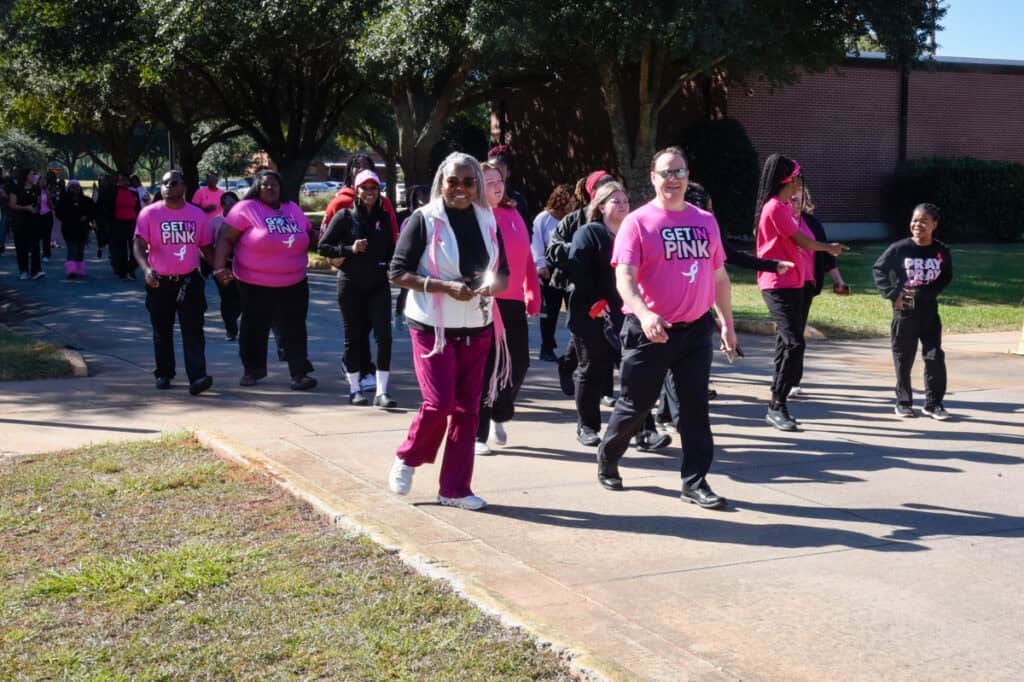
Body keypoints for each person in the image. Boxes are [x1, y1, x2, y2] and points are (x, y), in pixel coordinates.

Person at [596, 146, 737, 510]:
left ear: (688, 176)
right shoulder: (637, 223)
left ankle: (695, 482)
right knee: (636, 405)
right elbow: (624, 279)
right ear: (653, 178)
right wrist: (645, 315)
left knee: (695, 409)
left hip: (695, 331)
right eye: (665, 173)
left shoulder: (705, 221)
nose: (672, 179)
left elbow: (720, 278)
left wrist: (726, 324)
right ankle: (608, 455)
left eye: (679, 172)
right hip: (649, 330)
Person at [386, 152, 509, 511]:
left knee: (468, 410)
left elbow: (504, 274)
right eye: (453, 182)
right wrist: (443, 287)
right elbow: (396, 273)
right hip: (432, 326)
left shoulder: (487, 219)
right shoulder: (423, 219)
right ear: (441, 183)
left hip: (476, 325)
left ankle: (454, 489)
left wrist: (491, 286)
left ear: (477, 185)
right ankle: (408, 457)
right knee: (439, 404)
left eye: (469, 182)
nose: (461, 189)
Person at [754, 155, 847, 431]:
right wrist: (829, 248)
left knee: (788, 343)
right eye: (797, 177)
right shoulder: (774, 207)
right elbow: (802, 241)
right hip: (777, 283)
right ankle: (776, 405)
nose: (799, 182)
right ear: (790, 179)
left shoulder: (783, 207)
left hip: (793, 282)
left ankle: (777, 401)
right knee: (793, 342)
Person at [213, 169, 318, 391]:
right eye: (265, 185)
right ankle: (252, 370)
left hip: (295, 281)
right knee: (254, 327)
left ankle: (299, 373)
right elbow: (225, 237)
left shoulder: (292, 209)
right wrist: (219, 267)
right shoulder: (245, 208)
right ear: (256, 187)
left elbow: (310, 235)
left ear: (281, 188)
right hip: (255, 282)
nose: (270, 188)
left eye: (274, 185)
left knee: (295, 328)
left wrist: (334, 247)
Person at [474, 161, 541, 454]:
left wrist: (532, 290)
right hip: (484, 301)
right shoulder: (473, 215)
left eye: (498, 180)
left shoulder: (513, 213)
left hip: (512, 301)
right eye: (488, 182)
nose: (496, 186)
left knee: (519, 363)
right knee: (487, 367)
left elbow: (526, 257)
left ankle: (500, 412)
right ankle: (478, 434)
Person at [318, 169, 398, 407]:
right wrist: (349, 249)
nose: (370, 192)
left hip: (378, 283)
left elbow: (391, 249)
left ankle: (382, 391)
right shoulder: (345, 216)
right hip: (351, 283)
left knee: (384, 337)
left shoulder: (384, 218)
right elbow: (323, 246)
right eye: (365, 188)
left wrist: (393, 265)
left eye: (374, 188)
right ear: (357, 191)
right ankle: (355, 388)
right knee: (353, 337)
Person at [132, 170, 214, 395]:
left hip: (189, 281)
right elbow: (139, 245)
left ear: (184, 187)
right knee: (162, 330)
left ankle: (197, 377)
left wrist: (220, 268)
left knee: (193, 330)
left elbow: (206, 247)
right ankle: (164, 373)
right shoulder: (149, 213)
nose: (168, 186)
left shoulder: (197, 215)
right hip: (159, 282)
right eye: (164, 183)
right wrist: (146, 270)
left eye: (174, 182)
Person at [873, 203, 953, 420]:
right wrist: (893, 294)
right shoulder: (900, 248)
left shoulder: (941, 250)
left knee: (934, 356)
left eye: (924, 221)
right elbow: (879, 269)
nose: (918, 225)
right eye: (915, 220)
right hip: (906, 304)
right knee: (904, 356)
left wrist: (929, 292)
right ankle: (903, 402)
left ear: (934, 224)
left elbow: (946, 276)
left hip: (929, 308)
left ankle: (933, 404)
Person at [547, 171, 617, 398]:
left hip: (610, 287)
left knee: (609, 335)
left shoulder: (620, 219)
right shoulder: (574, 220)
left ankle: (606, 391)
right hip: (580, 286)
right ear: (592, 192)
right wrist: (581, 248)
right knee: (584, 334)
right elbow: (552, 250)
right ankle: (568, 364)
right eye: (603, 186)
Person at [787, 183, 850, 398]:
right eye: (792, 194)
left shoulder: (812, 223)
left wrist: (839, 281)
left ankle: (793, 380)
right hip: (784, 283)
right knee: (789, 332)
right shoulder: (780, 219)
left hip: (806, 283)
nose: (795, 198)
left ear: (806, 199)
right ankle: (783, 378)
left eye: (800, 195)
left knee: (796, 332)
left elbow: (827, 253)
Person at [531, 183, 576, 361]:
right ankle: (547, 348)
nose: (571, 206)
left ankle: (575, 351)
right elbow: (536, 243)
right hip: (550, 270)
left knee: (574, 311)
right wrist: (540, 265)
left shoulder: (575, 218)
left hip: (570, 270)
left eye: (574, 202)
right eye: (568, 202)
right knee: (550, 312)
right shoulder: (544, 218)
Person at [207, 192, 241, 340]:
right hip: (222, 263)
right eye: (228, 203)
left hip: (240, 263)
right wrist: (214, 264)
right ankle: (231, 329)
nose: (231, 206)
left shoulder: (243, 220)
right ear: (222, 205)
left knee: (241, 296)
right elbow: (206, 245)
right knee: (227, 297)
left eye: (234, 202)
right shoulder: (215, 222)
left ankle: (233, 316)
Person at [394, 185, 430, 323]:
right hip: (412, 263)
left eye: (427, 203)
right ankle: (399, 313)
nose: (424, 207)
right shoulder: (409, 220)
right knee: (406, 290)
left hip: (427, 263)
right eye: (420, 204)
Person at [8, 169, 44, 280]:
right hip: (20, 221)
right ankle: (23, 270)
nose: (34, 176)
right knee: (21, 247)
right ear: (26, 176)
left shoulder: (36, 188)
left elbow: (39, 203)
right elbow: (12, 205)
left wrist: (36, 208)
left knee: (35, 246)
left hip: (34, 220)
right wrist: (26, 208)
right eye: (32, 174)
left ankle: (36, 271)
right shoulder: (16, 188)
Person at [55, 180, 94, 278]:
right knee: (72, 249)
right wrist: (67, 218)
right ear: (69, 188)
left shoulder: (86, 200)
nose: (75, 189)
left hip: (83, 229)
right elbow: (58, 212)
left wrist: (87, 217)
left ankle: (79, 269)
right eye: (72, 187)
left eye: (77, 186)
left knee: (80, 250)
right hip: (69, 228)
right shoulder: (64, 201)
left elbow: (93, 211)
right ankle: (71, 270)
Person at [486, 145, 531, 229]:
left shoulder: (518, 201)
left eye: (498, 170)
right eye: (489, 168)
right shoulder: (479, 199)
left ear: (508, 173)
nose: (494, 173)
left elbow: (526, 230)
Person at [109, 173, 142, 281]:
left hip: (132, 223)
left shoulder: (134, 193)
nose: (124, 182)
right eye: (122, 180)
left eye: (126, 180)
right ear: (118, 182)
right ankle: (122, 272)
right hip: (118, 223)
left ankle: (131, 268)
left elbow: (138, 208)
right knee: (121, 249)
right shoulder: (113, 193)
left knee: (135, 248)